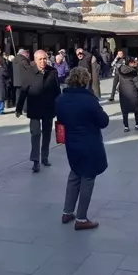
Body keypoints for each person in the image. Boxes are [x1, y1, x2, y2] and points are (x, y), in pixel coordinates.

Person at [57, 67, 110, 230]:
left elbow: (61, 120)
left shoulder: (60, 99)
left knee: (74, 173)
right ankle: (81, 218)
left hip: (71, 142)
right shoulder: (89, 100)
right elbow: (103, 121)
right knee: (87, 177)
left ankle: (67, 211)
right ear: (85, 80)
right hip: (89, 142)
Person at [16, 50, 61, 173]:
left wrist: (61, 107)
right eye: (40, 59)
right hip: (34, 108)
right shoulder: (29, 72)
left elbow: (57, 91)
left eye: (44, 59)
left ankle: (44, 157)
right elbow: (24, 90)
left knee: (47, 134)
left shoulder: (53, 72)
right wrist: (19, 108)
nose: (43, 61)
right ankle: (35, 160)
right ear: (35, 60)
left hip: (48, 108)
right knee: (35, 134)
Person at [118, 58, 138, 132]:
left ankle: (126, 127)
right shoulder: (133, 72)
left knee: (124, 111)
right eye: (134, 62)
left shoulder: (119, 70)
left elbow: (117, 80)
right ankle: (137, 125)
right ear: (130, 63)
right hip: (133, 93)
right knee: (136, 109)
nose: (135, 63)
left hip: (123, 93)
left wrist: (116, 89)